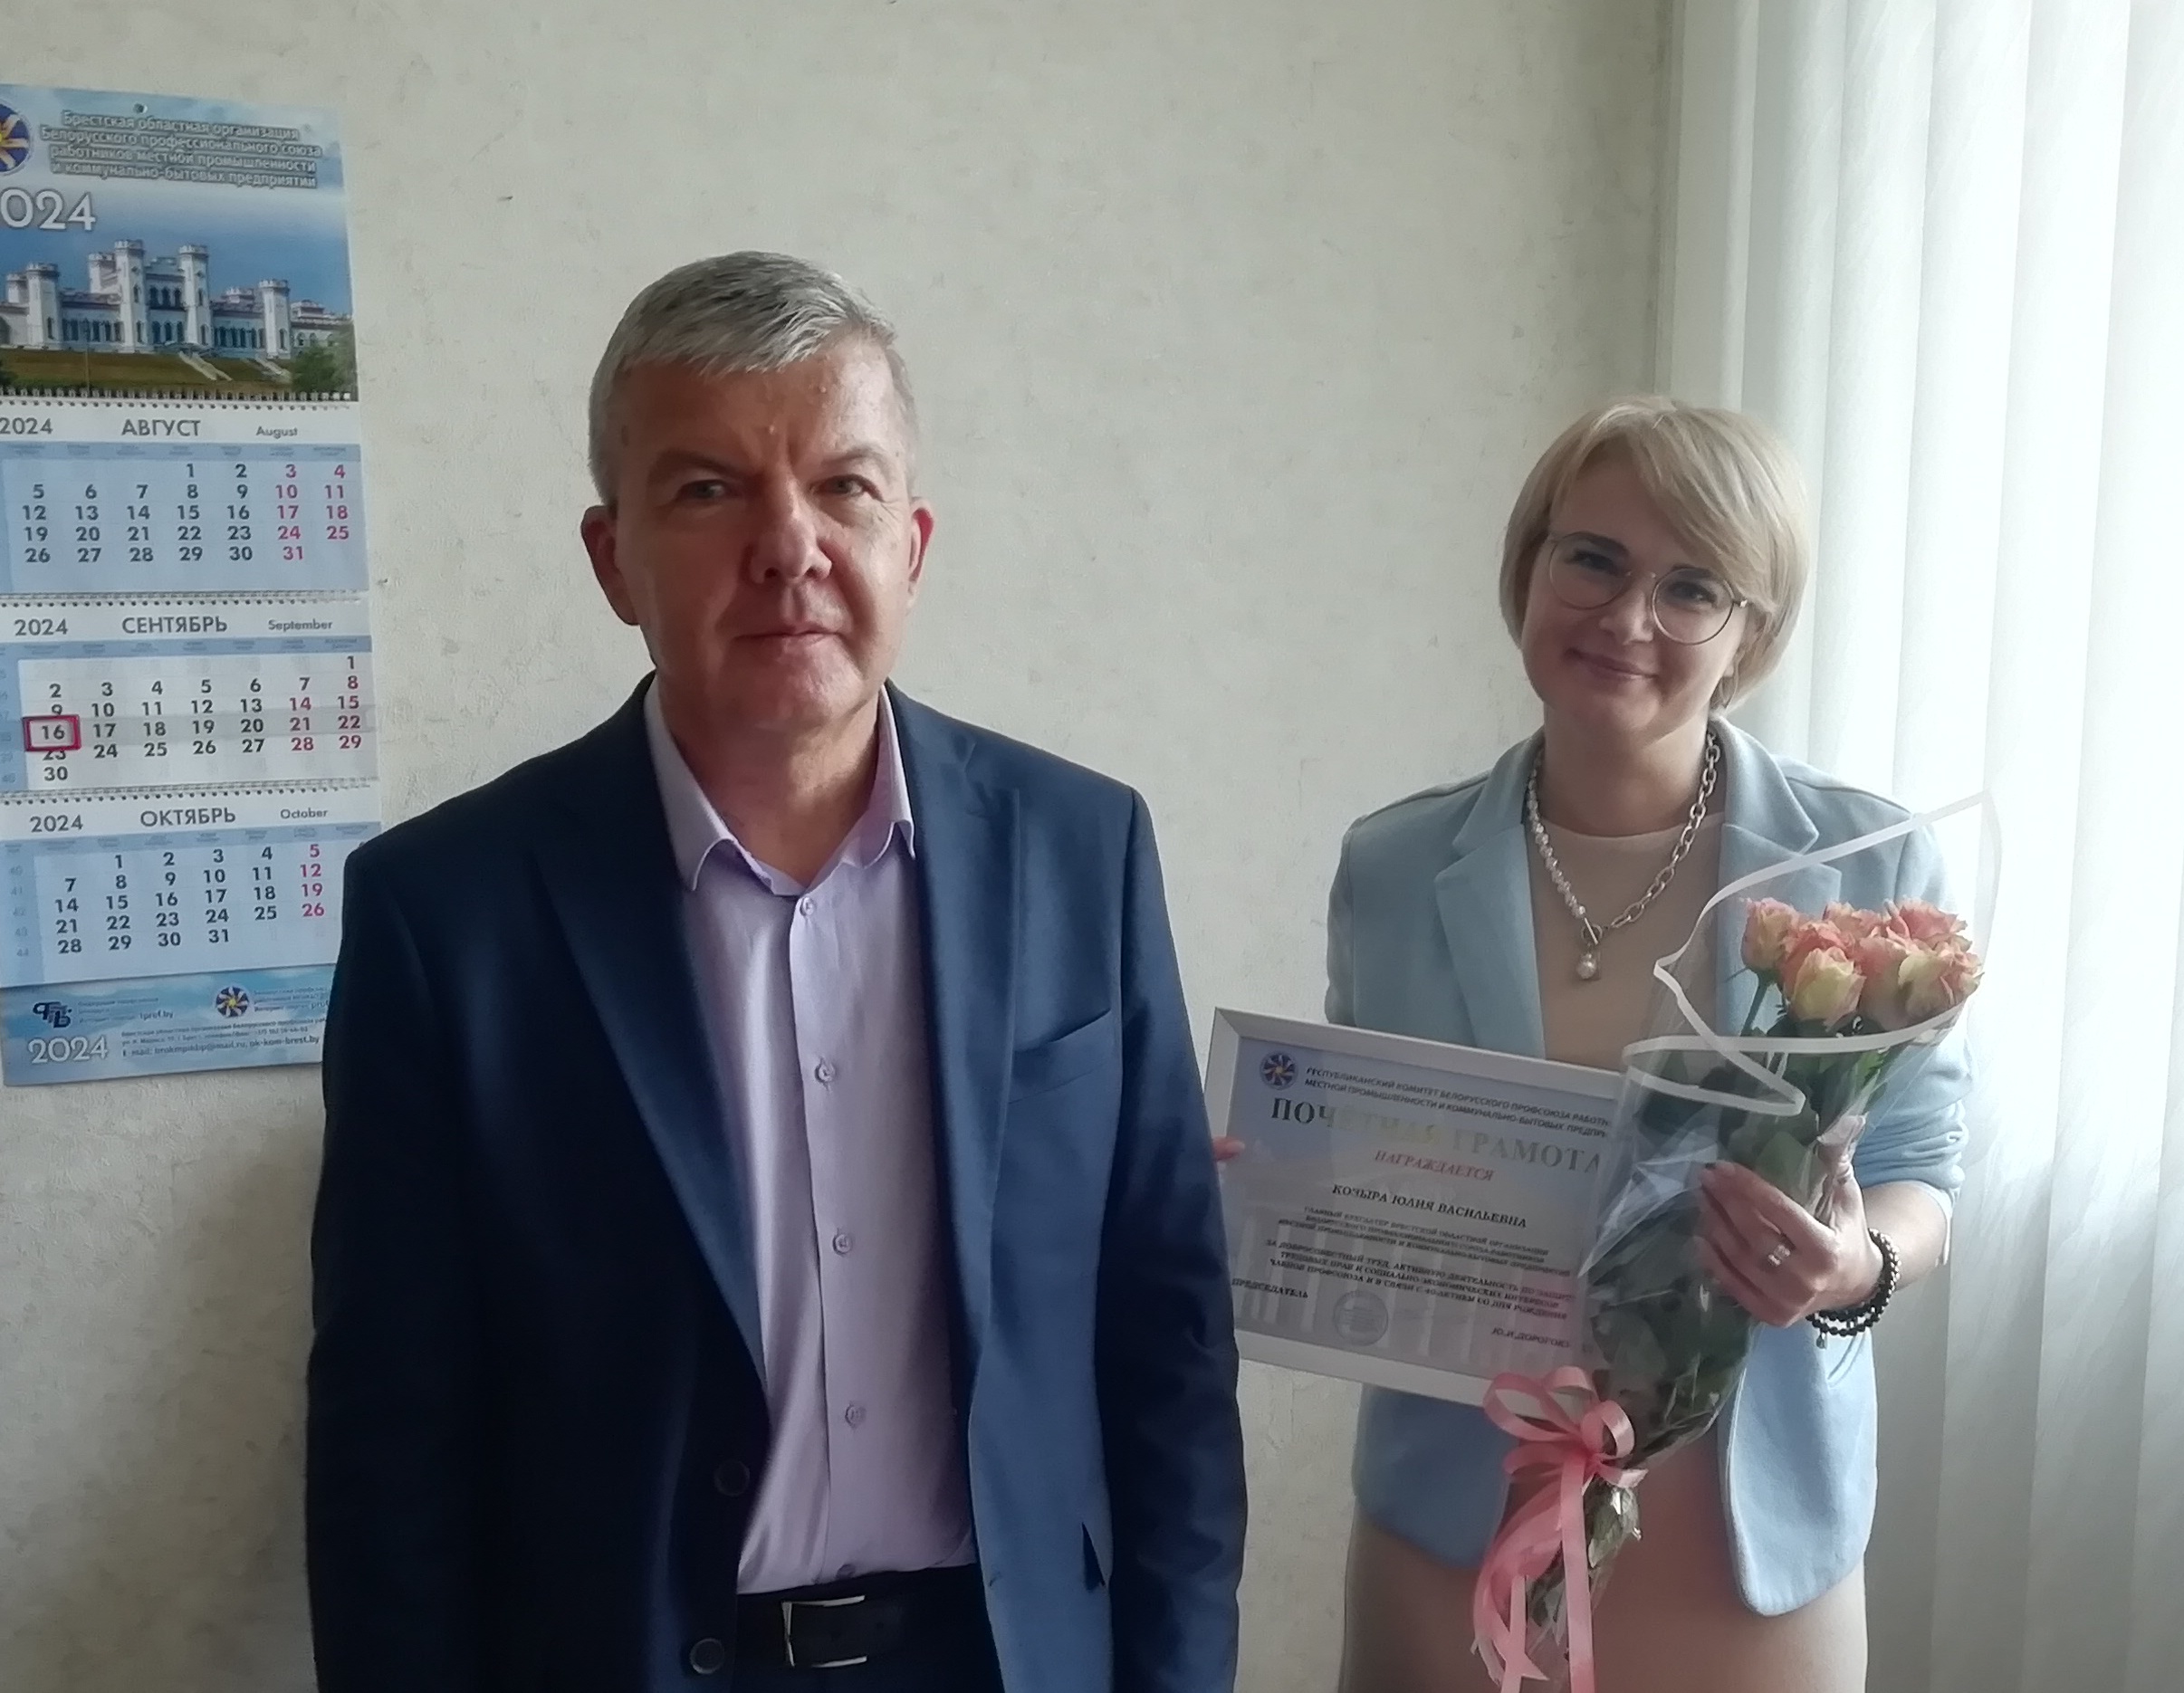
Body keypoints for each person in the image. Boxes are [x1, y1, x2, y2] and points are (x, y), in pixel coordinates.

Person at [305, 252, 1245, 1693]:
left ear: (911, 543)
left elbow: (1167, 1338)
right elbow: (392, 1437)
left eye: (844, 486)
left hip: (1005, 1658)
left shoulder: (1081, 853)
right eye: (708, 489)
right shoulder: (449, 914)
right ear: (611, 557)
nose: (789, 544)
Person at [1317, 397, 1968, 1692]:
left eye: (1691, 588)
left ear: (1750, 635)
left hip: (1740, 1556)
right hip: (1458, 1529)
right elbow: (1361, 1147)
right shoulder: (1389, 866)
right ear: (1530, 569)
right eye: (1593, 559)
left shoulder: (1869, 864)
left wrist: (1851, 1264)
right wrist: (1275, 1190)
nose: (1626, 618)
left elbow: (1923, 1170)